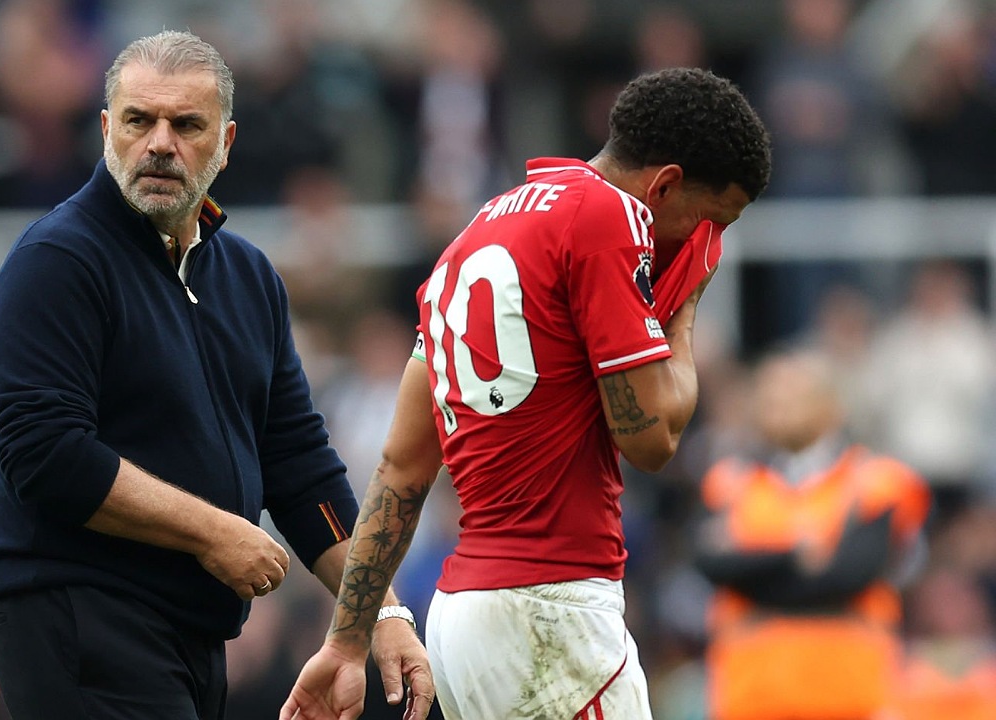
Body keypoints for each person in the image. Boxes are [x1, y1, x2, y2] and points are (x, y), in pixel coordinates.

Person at [281, 67, 772, 720]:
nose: (705, 240)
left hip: (465, 618)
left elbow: (402, 465)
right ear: (666, 185)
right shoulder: (611, 218)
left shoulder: (470, 238)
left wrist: (346, 640)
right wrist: (684, 310)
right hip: (550, 613)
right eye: (712, 221)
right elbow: (652, 440)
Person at [0, 30, 429, 720]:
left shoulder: (247, 276)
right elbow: (42, 453)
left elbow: (300, 467)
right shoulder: (57, 261)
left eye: (186, 125)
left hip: (191, 635)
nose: (159, 143)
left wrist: (382, 614)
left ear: (227, 142)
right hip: (78, 617)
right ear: (106, 129)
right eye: (138, 121)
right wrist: (212, 532)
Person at [693, 350, 931, 720]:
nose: (778, 405)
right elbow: (714, 566)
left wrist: (754, 570)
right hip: (751, 697)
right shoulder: (730, 481)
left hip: (851, 697)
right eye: (769, 395)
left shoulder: (877, 481)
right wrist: (796, 555)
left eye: (793, 394)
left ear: (834, 404)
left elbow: (850, 574)